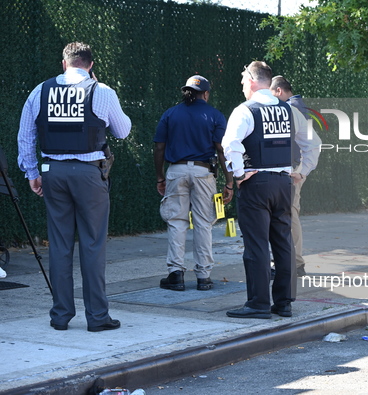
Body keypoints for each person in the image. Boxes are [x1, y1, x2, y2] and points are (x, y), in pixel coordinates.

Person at [17, 42, 131, 332]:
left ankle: (60, 316)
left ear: (63, 63)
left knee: (59, 245)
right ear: (90, 65)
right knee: (92, 244)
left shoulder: (40, 91)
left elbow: (25, 136)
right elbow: (123, 130)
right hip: (90, 174)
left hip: (52, 172)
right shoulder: (101, 91)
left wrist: (32, 172)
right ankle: (97, 317)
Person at [222, 61, 319, 319]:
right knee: (283, 244)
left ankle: (258, 304)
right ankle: (284, 303)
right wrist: (301, 172)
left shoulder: (245, 110)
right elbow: (313, 143)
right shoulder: (289, 111)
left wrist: (240, 174)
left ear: (253, 80)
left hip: (257, 184)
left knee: (256, 246)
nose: (242, 86)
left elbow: (229, 144)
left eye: (243, 81)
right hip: (284, 183)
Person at [153, 75, 232, 292]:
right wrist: (230, 182)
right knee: (203, 223)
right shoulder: (214, 115)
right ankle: (204, 277)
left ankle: (176, 274)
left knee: (177, 221)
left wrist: (160, 177)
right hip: (204, 171)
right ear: (205, 94)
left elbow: (159, 148)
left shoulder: (171, 113)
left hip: (176, 170)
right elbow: (221, 149)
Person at [270, 75, 321, 277]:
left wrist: (300, 171)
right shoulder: (299, 106)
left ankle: (294, 263)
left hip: (293, 171)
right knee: (289, 215)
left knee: (289, 216)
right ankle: (292, 262)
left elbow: (310, 144)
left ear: (279, 91)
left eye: (272, 95)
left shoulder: (294, 109)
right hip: (295, 169)